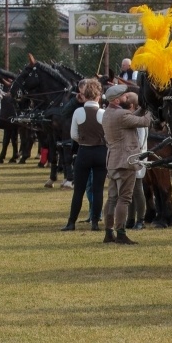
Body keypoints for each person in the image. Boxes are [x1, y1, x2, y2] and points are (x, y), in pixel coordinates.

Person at [101, 84, 151, 245]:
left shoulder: (108, 113)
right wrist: (149, 108)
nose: (127, 97)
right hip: (126, 161)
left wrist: (141, 108)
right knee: (124, 199)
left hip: (113, 161)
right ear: (117, 100)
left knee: (112, 198)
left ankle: (109, 232)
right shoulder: (121, 115)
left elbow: (132, 117)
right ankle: (121, 232)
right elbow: (145, 121)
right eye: (124, 95)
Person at [62, 79, 106, 232]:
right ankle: (95, 222)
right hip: (101, 152)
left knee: (79, 190)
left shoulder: (78, 112)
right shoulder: (103, 113)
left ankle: (71, 222)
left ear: (84, 96)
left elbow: (73, 134)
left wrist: (84, 139)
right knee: (98, 189)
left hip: (84, 151)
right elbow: (108, 135)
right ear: (98, 97)